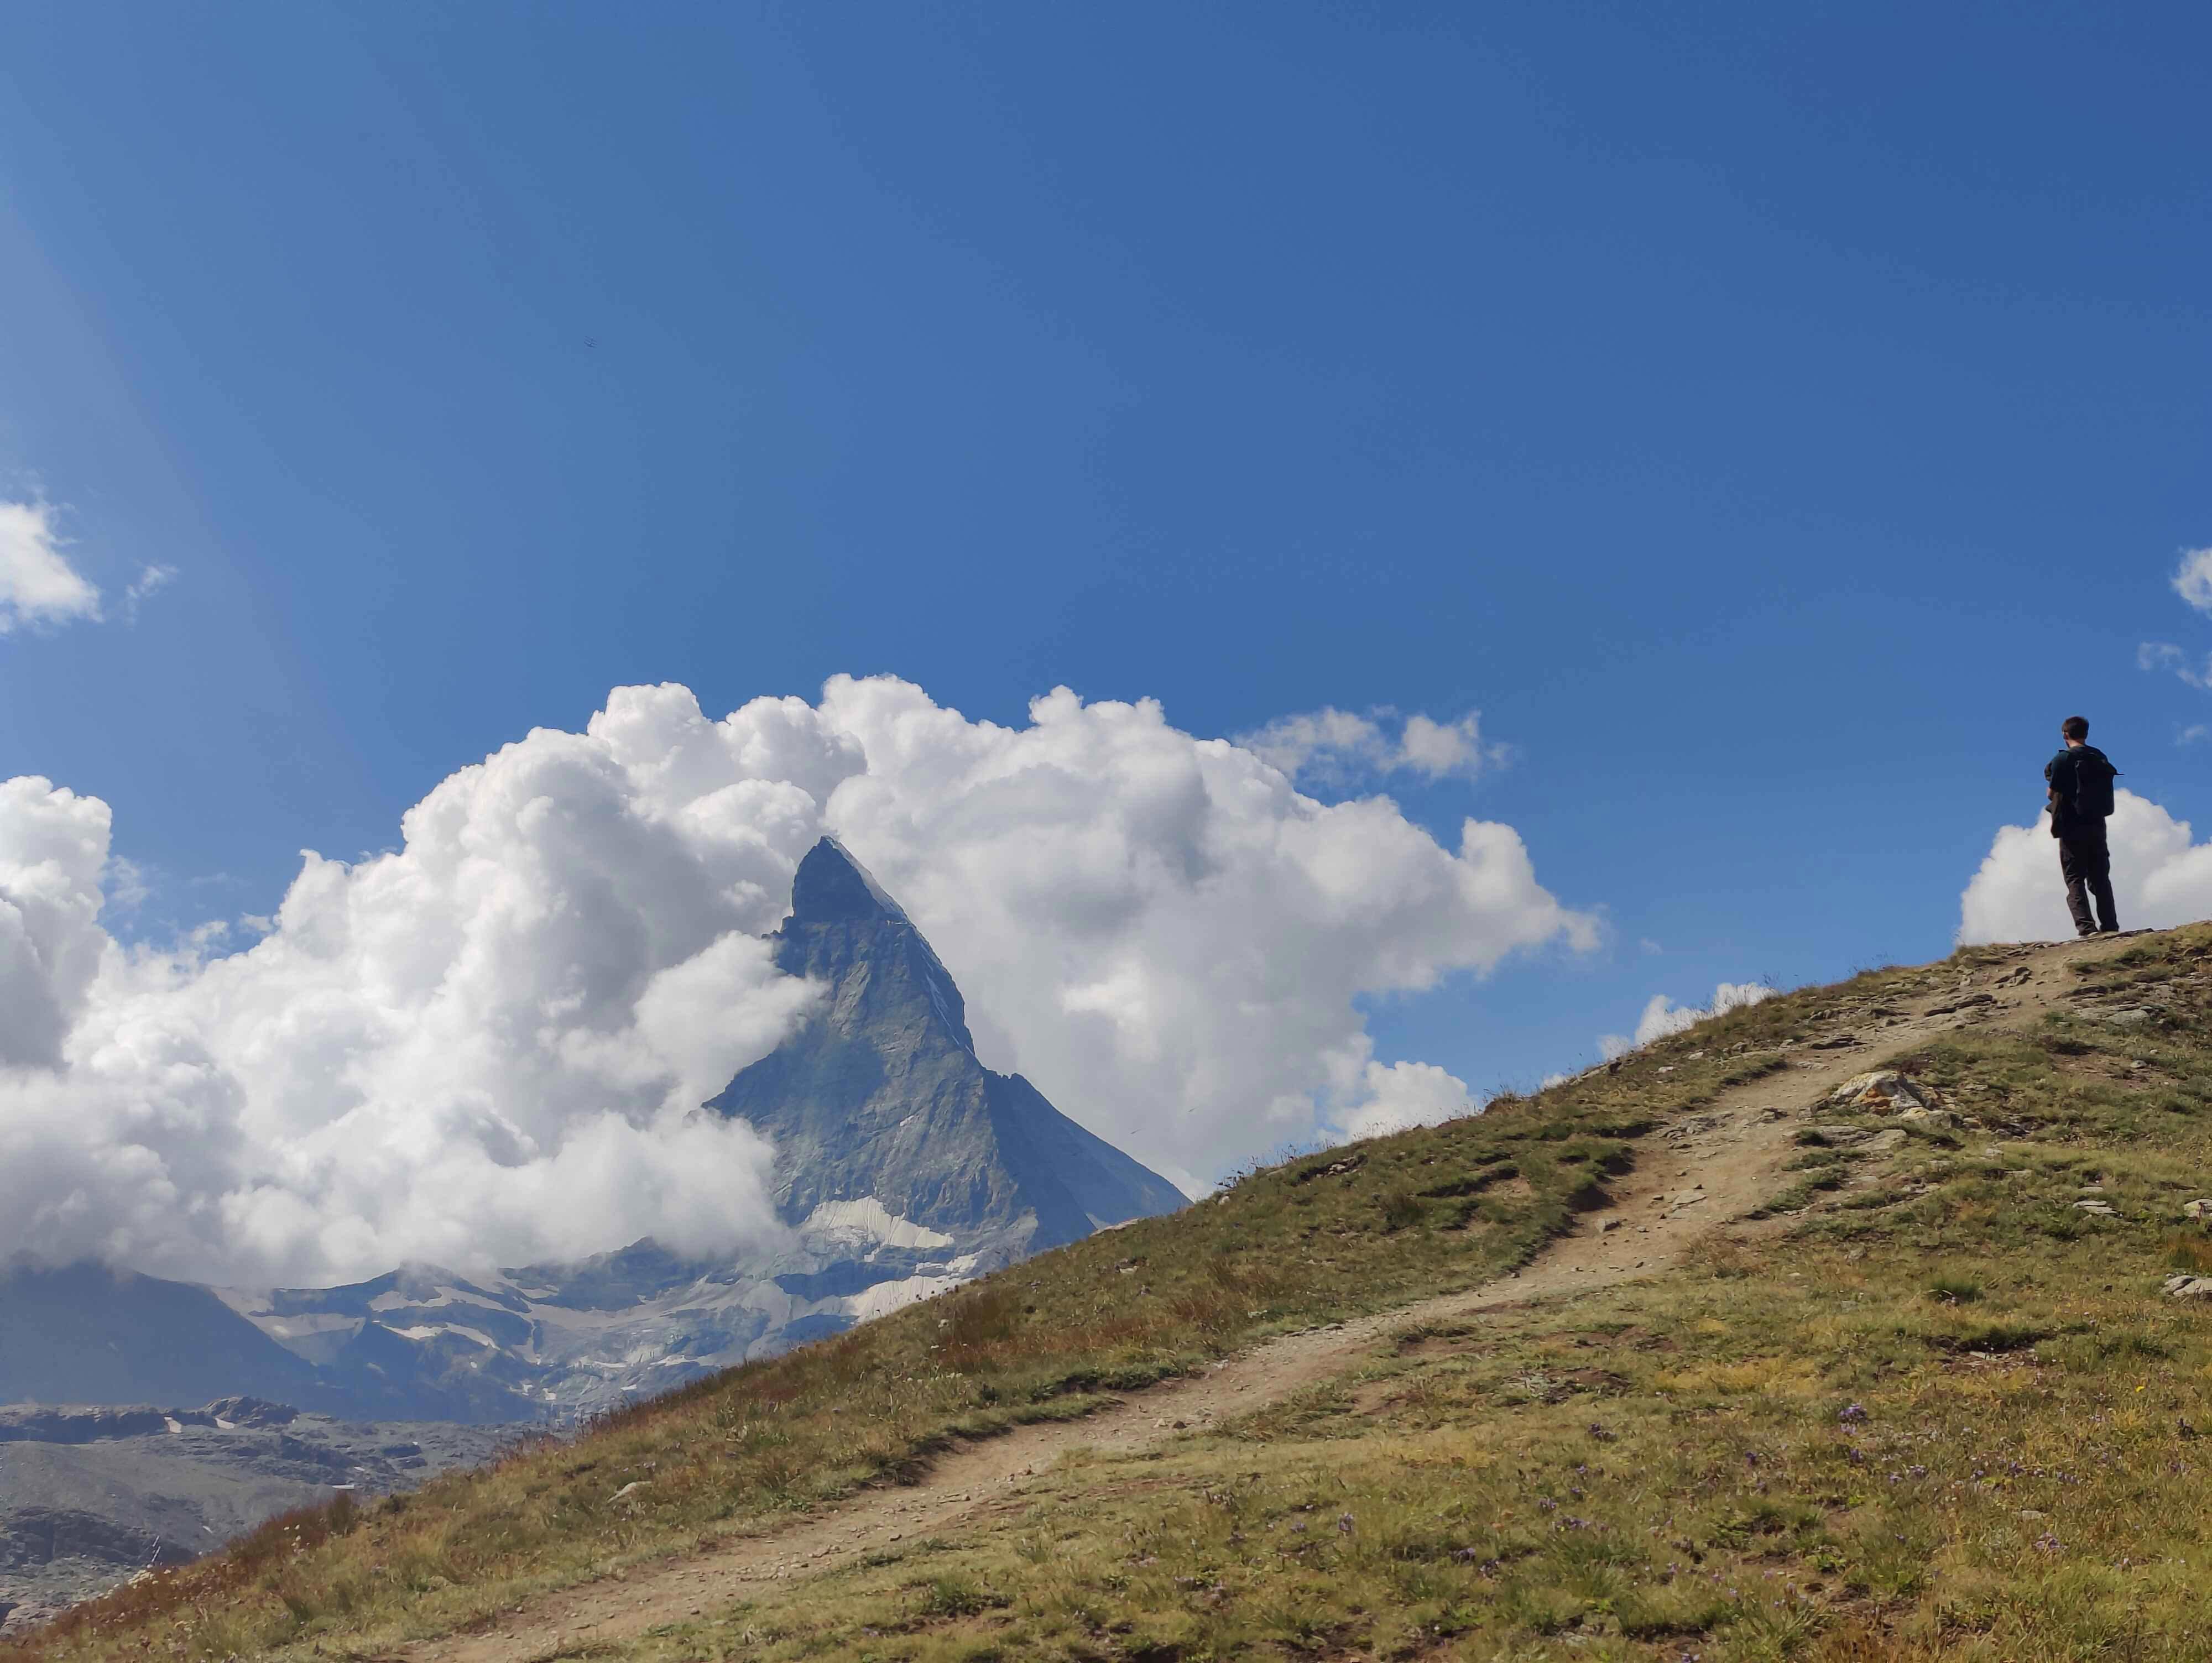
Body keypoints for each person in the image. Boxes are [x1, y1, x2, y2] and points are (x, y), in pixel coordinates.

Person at [2046, 715, 2120, 937]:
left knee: (2074, 876)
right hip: (2097, 823)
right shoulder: (2099, 756)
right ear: (2086, 733)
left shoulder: (2062, 760)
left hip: (2071, 825)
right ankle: (2110, 926)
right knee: (2100, 876)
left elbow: (2053, 792)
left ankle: (2087, 928)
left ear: (2065, 735)